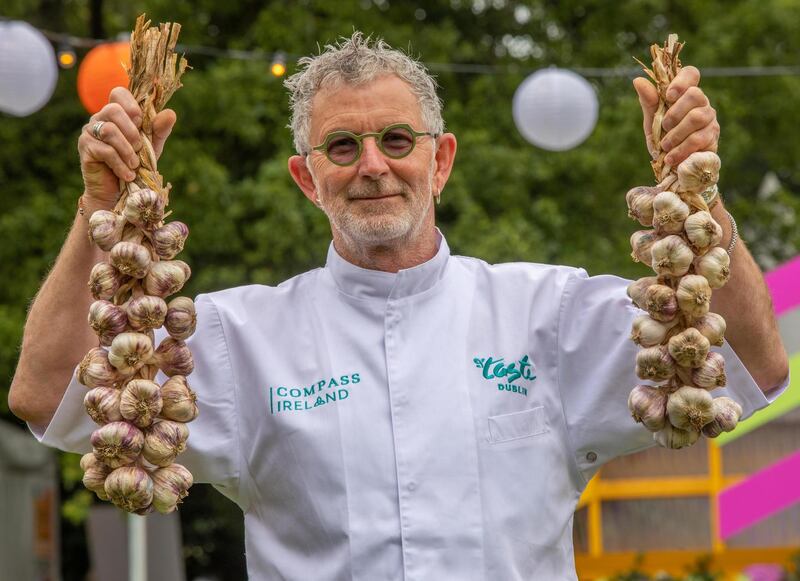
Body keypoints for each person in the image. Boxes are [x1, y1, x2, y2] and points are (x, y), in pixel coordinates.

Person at [9, 33, 789, 580]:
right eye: (341, 147)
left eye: (396, 139)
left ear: (440, 160)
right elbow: (47, 396)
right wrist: (99, 211)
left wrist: (700, 194)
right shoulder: (239, 336)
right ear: (307, 179)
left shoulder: (545, 312)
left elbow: (753, 365)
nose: (373, 166)